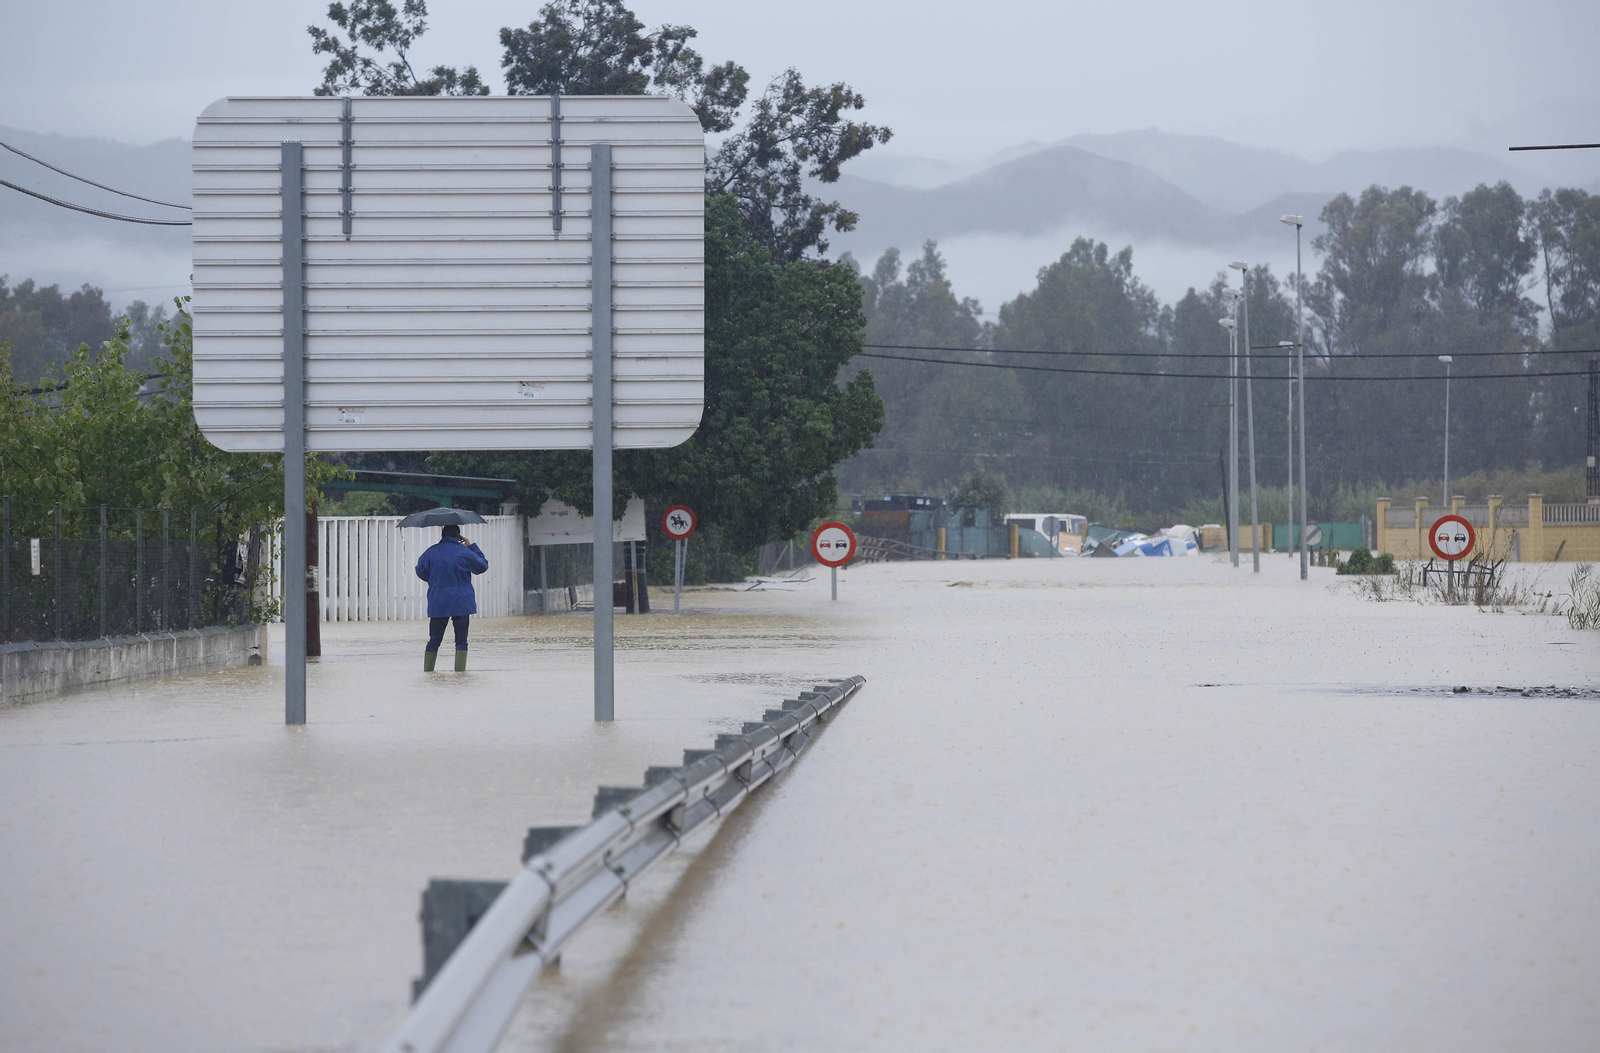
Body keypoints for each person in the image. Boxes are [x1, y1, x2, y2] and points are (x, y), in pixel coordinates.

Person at [414, 523, 489, 671]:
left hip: (439, 602)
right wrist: (471, 546)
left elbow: (420, 571)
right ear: (458, 536)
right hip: (462, 602)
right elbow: (482, 566)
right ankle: (460, 674)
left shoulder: (431, 552)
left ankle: (428, 672)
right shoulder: (464, 552)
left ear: (443, 535)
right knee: (461, 641)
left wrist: (435, 581)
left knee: (434, 640)